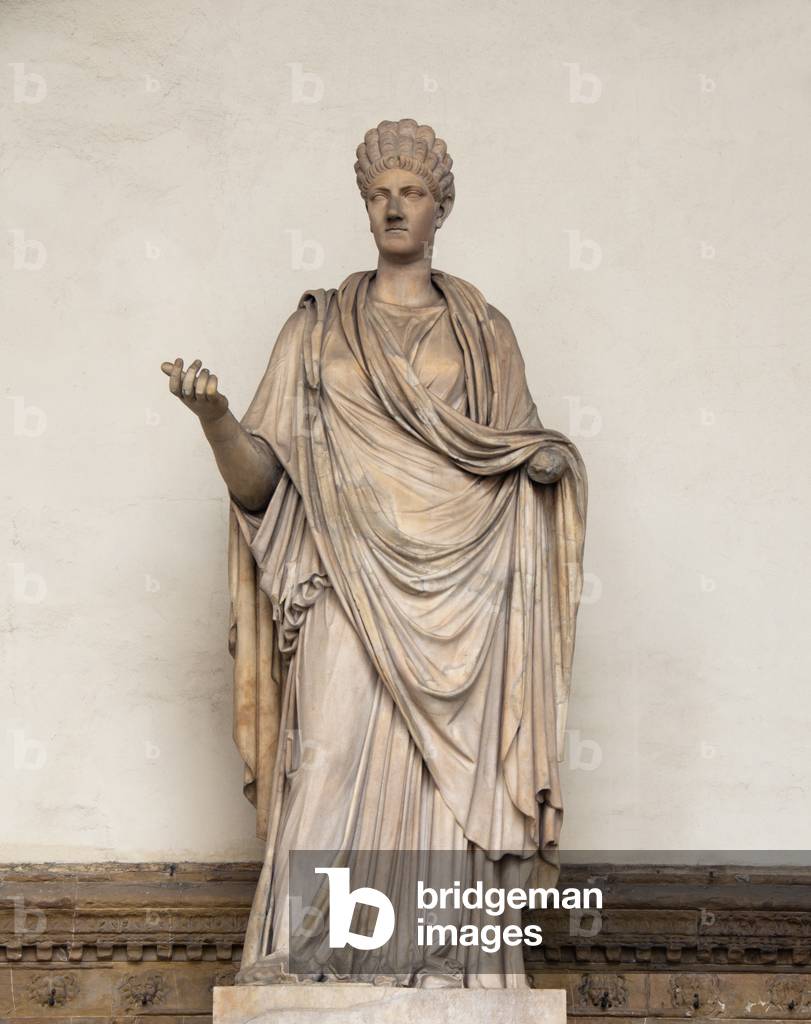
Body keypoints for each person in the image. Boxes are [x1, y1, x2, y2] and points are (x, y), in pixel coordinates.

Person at [161, 118, 587, 988]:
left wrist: (544, 465)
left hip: (461, 594)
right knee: (324, 751)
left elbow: (509, 452)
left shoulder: (483, 331)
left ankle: (451, 962)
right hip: (340, 578)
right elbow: (261, 486)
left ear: (441, 209)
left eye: (412, 193)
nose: (395, 207)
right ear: (364, 207)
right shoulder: (317, 330)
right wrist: (215, 423)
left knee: (445, 785)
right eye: (379, 194)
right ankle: (301, 952)